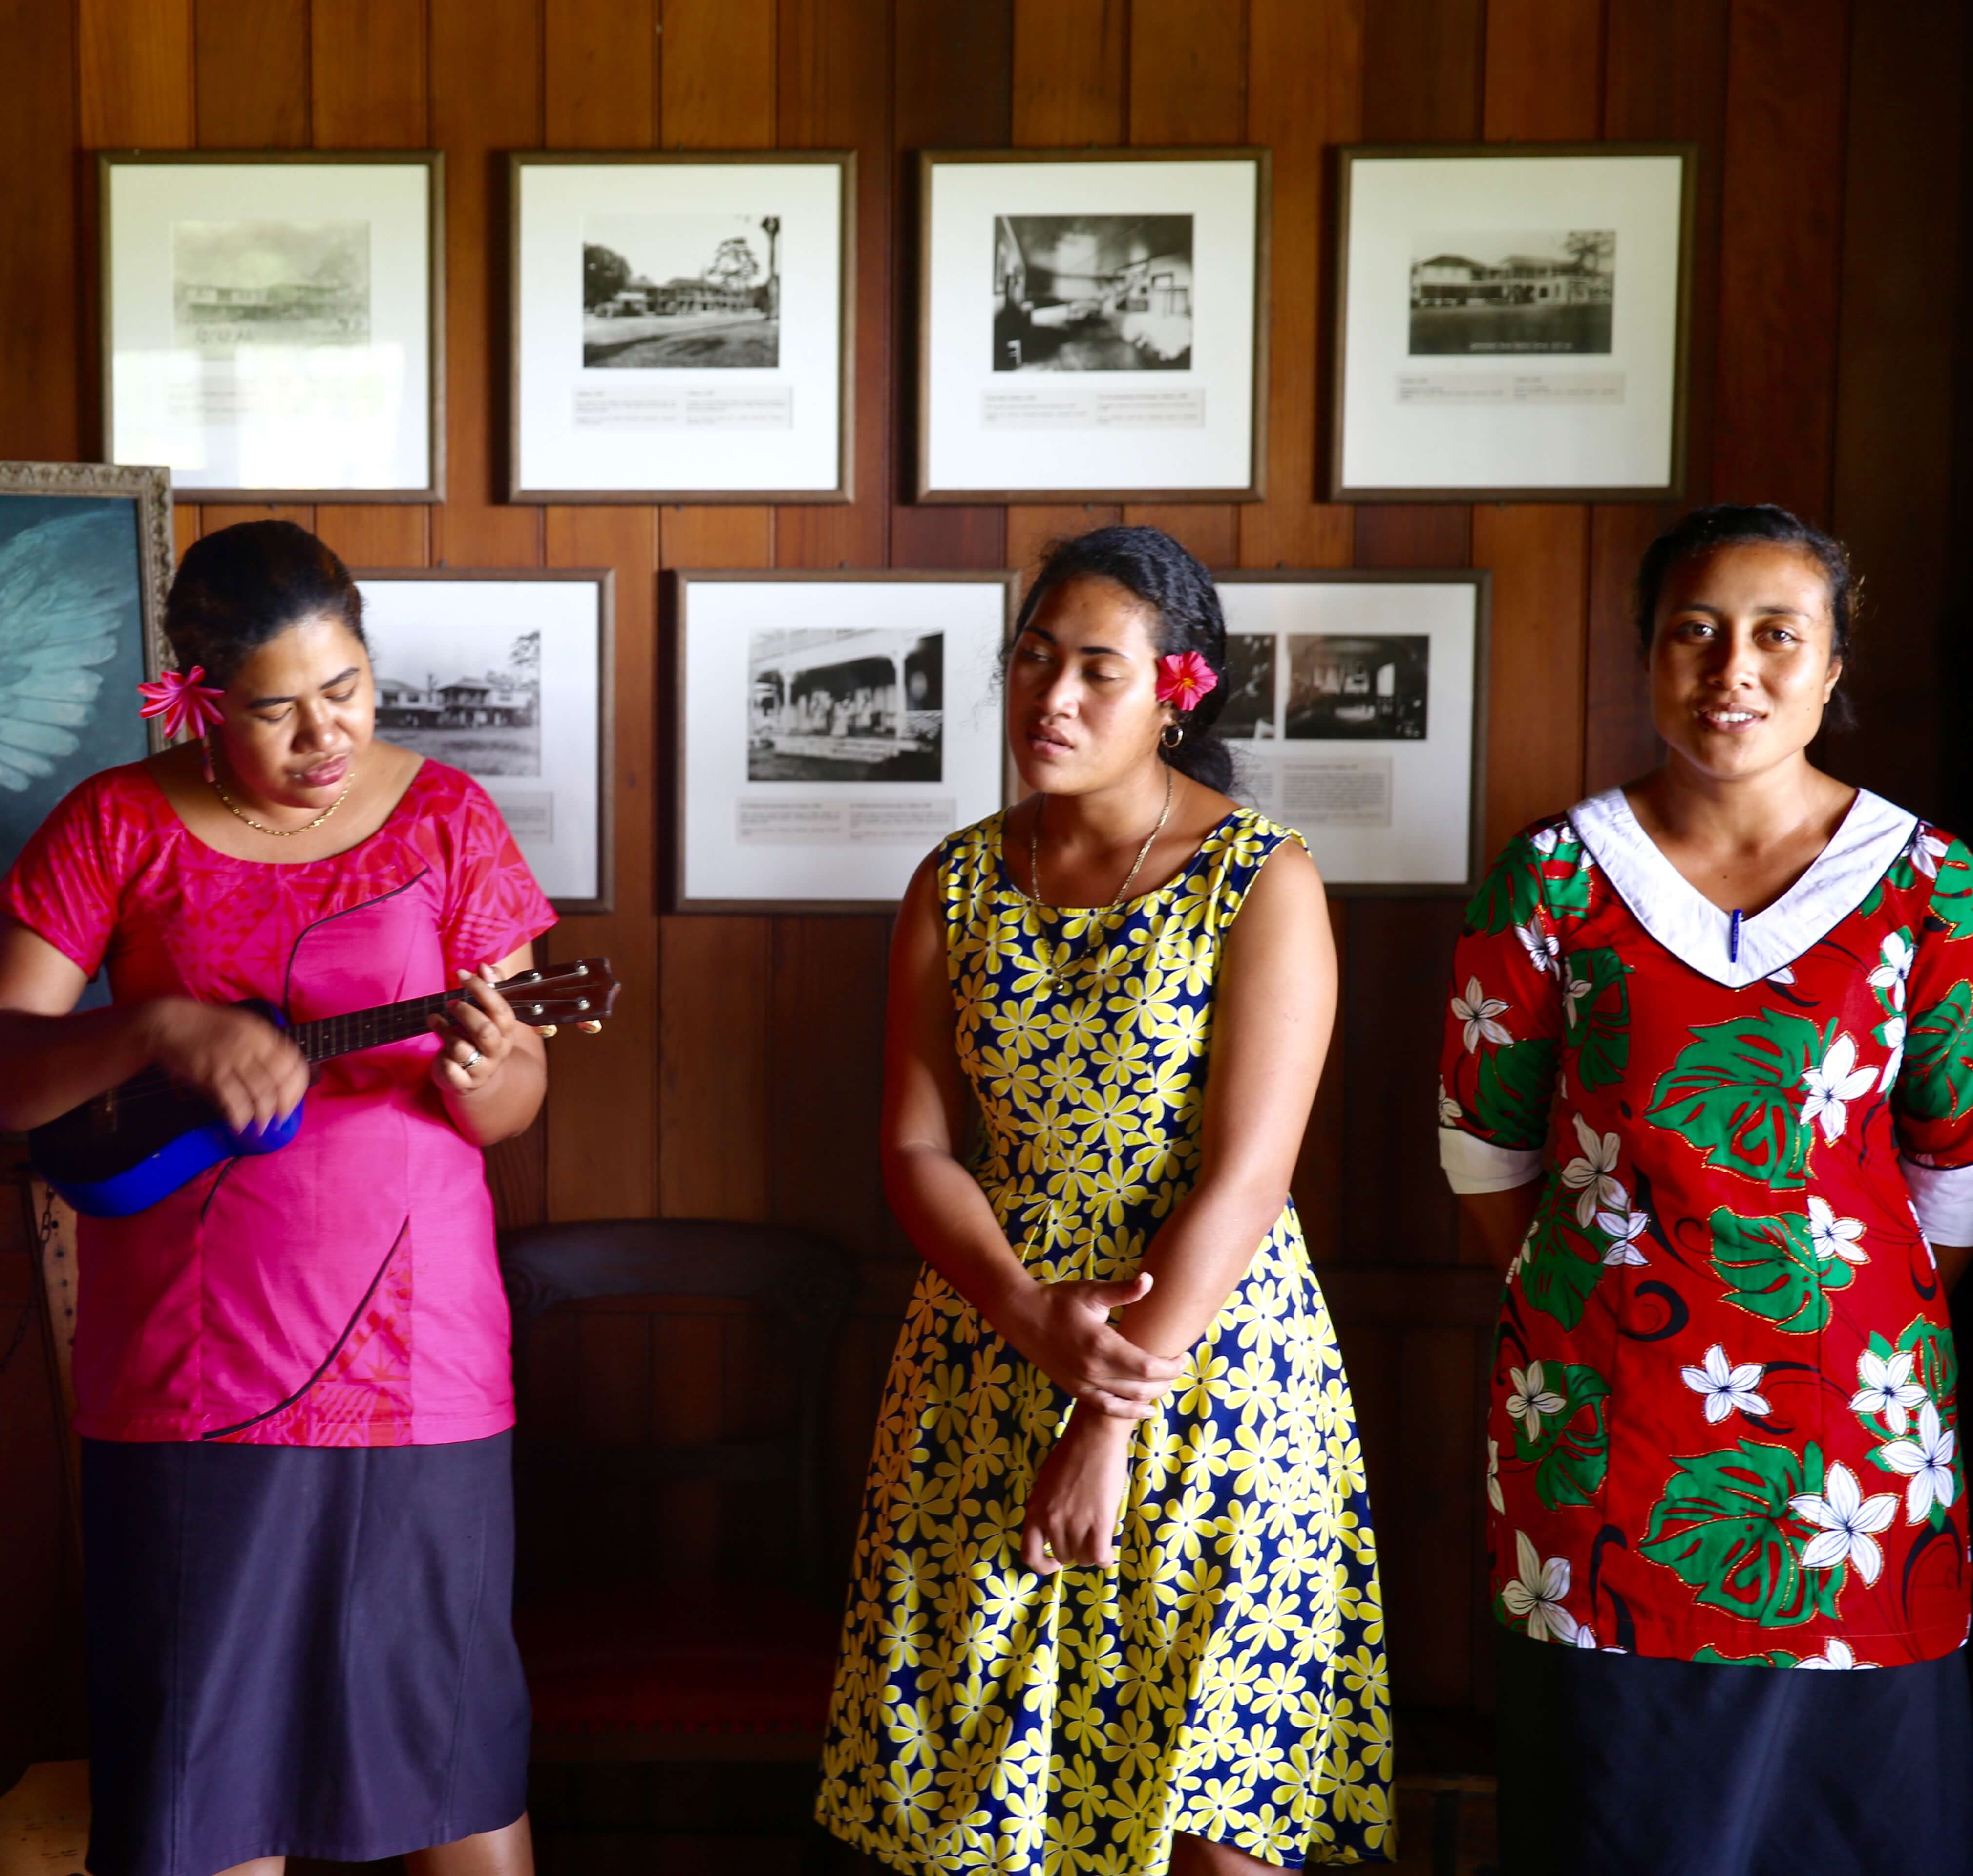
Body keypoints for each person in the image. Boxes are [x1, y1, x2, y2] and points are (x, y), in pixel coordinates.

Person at [0, 519, 554, 1876]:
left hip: (419, 1363)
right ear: (197, 697)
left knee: (456, 1770)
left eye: (348, 690)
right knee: (205, 1790)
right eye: (276, 710)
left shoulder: (447, 817)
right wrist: (154, 1031)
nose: (326, 736)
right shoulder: (119, 822)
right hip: (190, 1381)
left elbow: (513, 1105)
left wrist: (497, 1068)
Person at [819, 526, 1395, 1874]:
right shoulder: (952, 882)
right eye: (1031, 660)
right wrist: (1024, 1313)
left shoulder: (1262, 879)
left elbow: (1249, 1177)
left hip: (1210, 1377)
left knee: (1216, 1806)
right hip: (982, 1356)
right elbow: (915, 1152)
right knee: (980, 1812)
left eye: (1096, 669)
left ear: (1177, 691)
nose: (1051, 699)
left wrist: (1102, 1413)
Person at [1437, 504, 1973, 1874]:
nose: (1733, 667)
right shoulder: (1555, 873)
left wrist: (1825, 1310)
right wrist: (1611, 1278)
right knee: (1617, 1804)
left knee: (1845, 1818)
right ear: (1647, 656)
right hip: (1599, 1421)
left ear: (1834, 669)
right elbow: (1484, 1154)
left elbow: (1953, 1178)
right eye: (1695, 631)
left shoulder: (1928, 887)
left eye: (1777, 636)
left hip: (1854, 1429)